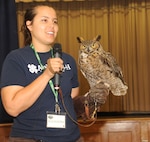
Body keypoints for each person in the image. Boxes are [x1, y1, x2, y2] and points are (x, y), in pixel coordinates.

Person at [0, 4, 109, 142]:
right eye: (44, 20)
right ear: (29, 25)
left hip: (72, 138)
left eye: (55, 21)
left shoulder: (68, 60)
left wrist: (89, 102)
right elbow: (12, 108)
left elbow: (70, 101)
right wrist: (46, 74)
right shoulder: (16, 58)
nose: (52, 25)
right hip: (31, 138)